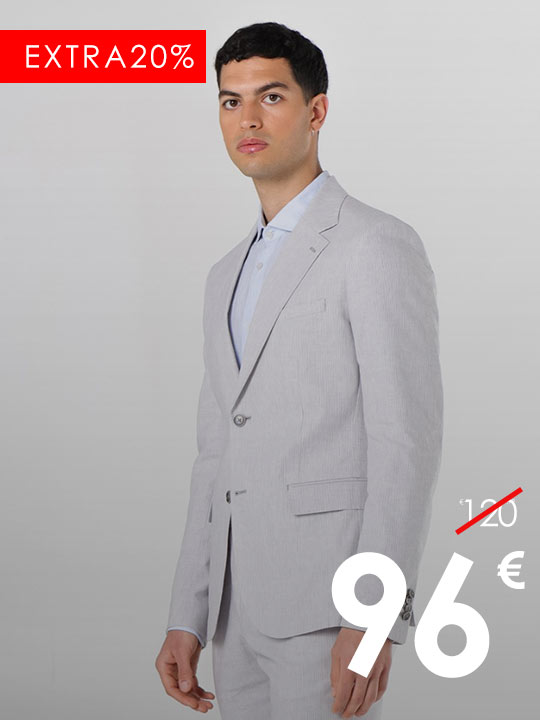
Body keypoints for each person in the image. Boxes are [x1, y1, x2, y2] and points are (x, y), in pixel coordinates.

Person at [155, 21, 443, 720]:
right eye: (230, 101)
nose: (247, 119)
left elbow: (406, 440)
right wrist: (188, 612)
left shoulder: (376, 244)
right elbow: (215, 455)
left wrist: (374, 613)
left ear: (317, 111)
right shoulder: (223, 275)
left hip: (329, 603)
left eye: (271, 96)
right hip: (234, 613)